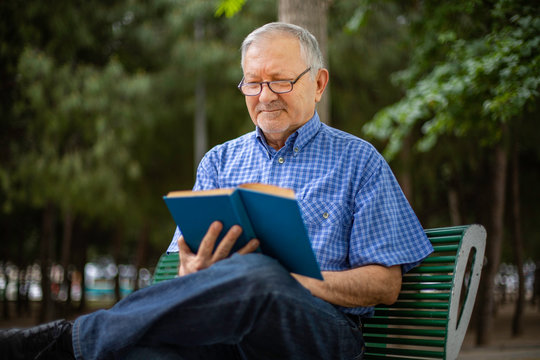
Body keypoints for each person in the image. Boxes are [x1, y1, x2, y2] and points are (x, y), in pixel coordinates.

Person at [1, 22, 433, 360]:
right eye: (253, 83)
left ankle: (62, 341)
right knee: (137, 353)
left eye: (280, 81)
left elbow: (385, 284)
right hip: (228, 337)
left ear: (318, 84)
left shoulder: (359, 161)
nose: (265, 96)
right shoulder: (219, 162)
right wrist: (192, 271)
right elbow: (179, 266)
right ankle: (75, 345)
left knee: (261, 273)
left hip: (321, 337)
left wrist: (292, 280)